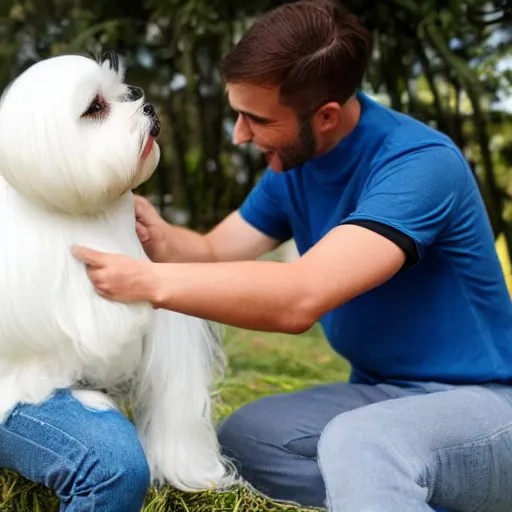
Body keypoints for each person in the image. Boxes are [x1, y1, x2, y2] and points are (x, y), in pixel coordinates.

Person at [70, 0, 512, 511]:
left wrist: (146, 283)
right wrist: (156, 235)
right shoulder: (295, 163)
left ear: (325, 116)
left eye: (255, 119)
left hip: (489, 406)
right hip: (384, 395)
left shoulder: (418, 165)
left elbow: (298, 299)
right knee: (248, 437)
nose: (239, 135)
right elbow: (214, 251)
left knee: (363, 443)